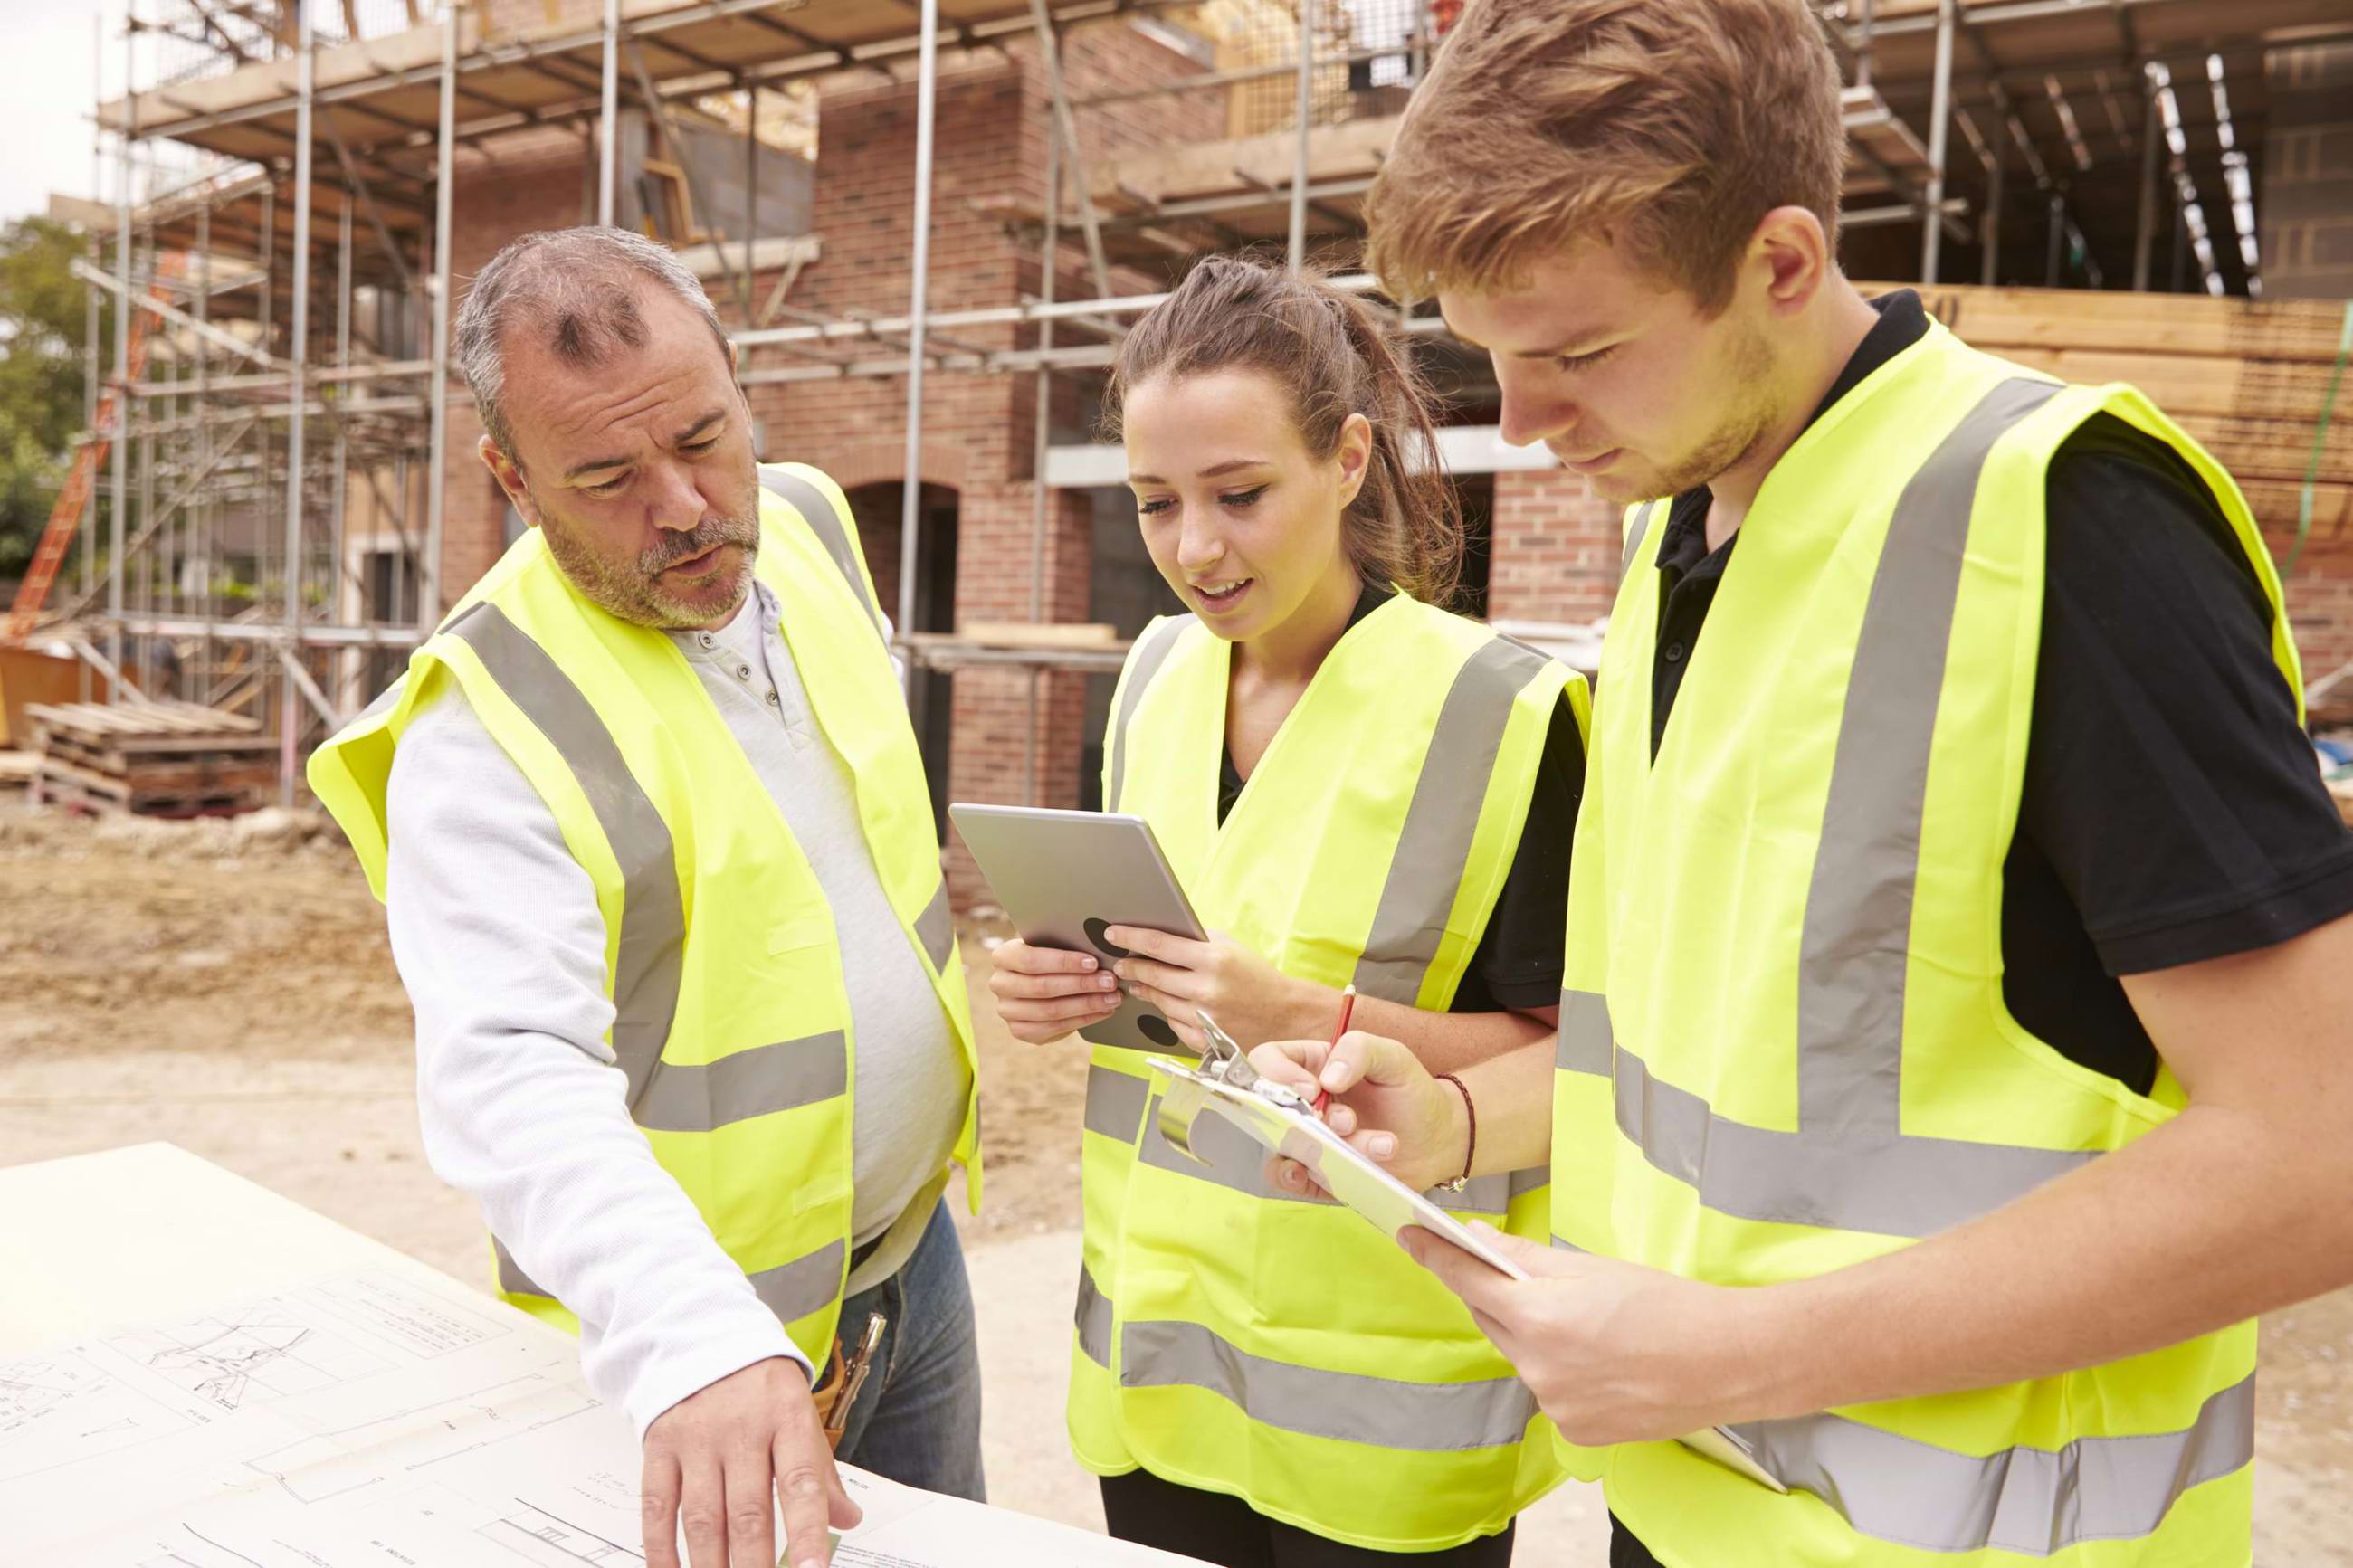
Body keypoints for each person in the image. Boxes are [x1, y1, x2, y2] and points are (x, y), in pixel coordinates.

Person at [1251, 2, 2353, 1563]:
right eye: (1490, 357)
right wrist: (1448, 1121)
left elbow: (2320, 1150)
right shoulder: (1685, 538)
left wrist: (1728, 1355)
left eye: (1576, 352)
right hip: (1698, 1507)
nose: (1523, 421)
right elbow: (1731, 1076)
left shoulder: (2067, 522)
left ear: (1779, 260)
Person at [308, 226, 985, 1568]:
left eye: (704, 435)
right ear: (511, 478)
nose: (683, 504)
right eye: (609, 475)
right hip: (697, 1350)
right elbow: (511, 1070)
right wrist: (696, 1336)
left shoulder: (806, 521)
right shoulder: (484, 719)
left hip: (915, 1262)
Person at [987, 254, 1589, 1566]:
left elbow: (1588, 1060)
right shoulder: (1151, 678)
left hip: (1380, 1423)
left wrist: (1297, 1011)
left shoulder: (1500, 713)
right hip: (1157, 1379)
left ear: (1352, 457)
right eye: (1155, 502)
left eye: (1240, 493)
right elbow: (1158, 1020)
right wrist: (1060, 991)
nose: (1196, 548)